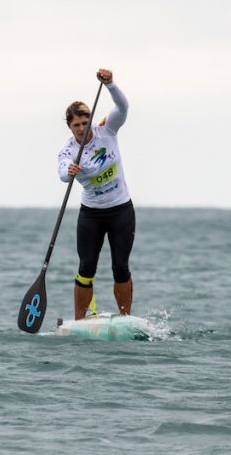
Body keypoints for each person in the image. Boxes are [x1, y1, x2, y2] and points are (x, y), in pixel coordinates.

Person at [57, 68, 135, 320]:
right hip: (91, 215)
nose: (81, 128)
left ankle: (125, 318)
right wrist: (69, 171)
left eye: (84, 122)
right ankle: (81, 320)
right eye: (75, 125)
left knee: (120, 267)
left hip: (121, 210)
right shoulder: (68, 151)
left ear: (91, 120)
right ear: (70, 127)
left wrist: (111, 84)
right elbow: (62, 173)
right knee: (86, 268)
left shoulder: (107, 131)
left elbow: (123, 108)